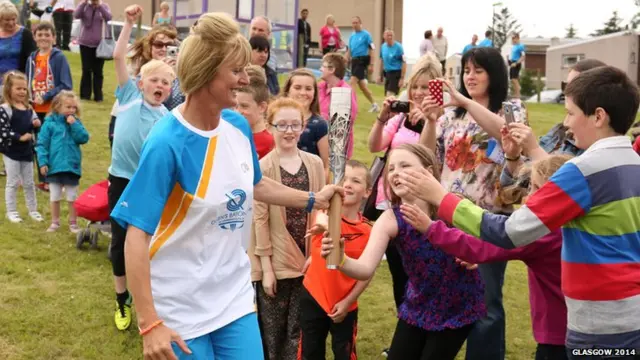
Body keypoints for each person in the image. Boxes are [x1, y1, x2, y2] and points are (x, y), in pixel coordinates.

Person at [110, 10, 341, 360]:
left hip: (232, 299)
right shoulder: (166, 142)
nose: (244, 79)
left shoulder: (236, 125)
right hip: (179, 306)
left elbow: (255, 186)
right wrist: (149, 322)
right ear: (205, 74)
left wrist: (313, 199)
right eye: (235, 71)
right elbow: (136, 236)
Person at [401, 65, 640, 357]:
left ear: (599, 116)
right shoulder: (633, 163)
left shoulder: (582, 172)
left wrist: (441, 198)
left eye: (571, 113)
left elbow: (509, 232)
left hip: (597, 327)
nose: (566, 123)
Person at [320, 143, 485, 360]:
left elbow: (491, 238)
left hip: (458, 305)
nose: (396, 172)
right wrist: (341, 258)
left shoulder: (453, 205)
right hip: (418, 304)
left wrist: (475, 256)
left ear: (427, 172)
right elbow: (364, 268)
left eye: (405, 165)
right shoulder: (390, 219)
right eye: (391, 169)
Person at [403, 154, 573, 360]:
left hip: (558, 337)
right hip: (593, 329)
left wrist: (431, 228)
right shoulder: (576, 222)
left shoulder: (543, 232)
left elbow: (482, 245)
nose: (529, 196)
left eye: (537, 188)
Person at [419, 46, 527, 360]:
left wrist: (465, 101)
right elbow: (429, 157)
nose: (470, 76)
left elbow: (507, 134)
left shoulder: (511, 109)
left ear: (495, 74)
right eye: (466, 70)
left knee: (486, 303)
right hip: (448, 213)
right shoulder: (451, 116)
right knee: (443, 294)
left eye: (478, 70)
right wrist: (429, 121)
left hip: (488, 219)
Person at [108, 5, 175, 332]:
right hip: (121, 180)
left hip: (149, 185)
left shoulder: (167, 119)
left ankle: (153, 300)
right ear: (141, 81)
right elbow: (119, 57)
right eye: (154, 79)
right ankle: (122, 300)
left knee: (150, 244)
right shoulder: (128, 96)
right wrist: (130, 24)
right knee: (120, 242)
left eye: (166, 81)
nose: (160, 85)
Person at [249, 97, 326, 360]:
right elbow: (259, 220)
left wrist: (315, 255)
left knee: (299, 328)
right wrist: (267, 269)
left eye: (295, 124)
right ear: (270, 127)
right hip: (278, 260)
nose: (289, 131)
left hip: (306, 259)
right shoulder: (263, 168)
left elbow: (320, 213)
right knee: (272, 330)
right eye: (282, 125)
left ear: (304, 126)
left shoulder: (314, 164)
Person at [298, 160, 373, 360]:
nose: (348, 184)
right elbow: (322, 220)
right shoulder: (323, 215)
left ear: (367, 191)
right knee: (310, 353)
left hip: (345, 305)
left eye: (356, 181)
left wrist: (348, 302)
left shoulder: (367, 231)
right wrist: (324, 229)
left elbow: (367, 273)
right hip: (313, 298)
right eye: (344, 179)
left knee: (345, 353)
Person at [500, 59, 606, 190]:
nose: (567, 93)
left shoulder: (597, 150)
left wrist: (534, 150)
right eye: (566, 86)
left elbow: (567, 189)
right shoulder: (559, 131)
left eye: (574, 87)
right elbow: (517, 188)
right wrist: (513, 156)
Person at [27, 21, 72, 191]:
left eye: (47, 34)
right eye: (40, 34)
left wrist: (46, 96)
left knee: (55, 145)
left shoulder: (58, 57)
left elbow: (65, 84)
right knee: (40, 144)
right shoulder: (32, 58)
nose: (44, 38)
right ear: (35, 37)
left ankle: (57, 180)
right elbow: (27, 80)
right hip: (35, 110)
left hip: (52, 110)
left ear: (54, 37)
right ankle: (44, 179)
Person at [36, 90, 89, 233]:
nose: (71, 110)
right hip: (54, 166)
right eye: (68, 107)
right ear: (57, 107)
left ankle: (73, 223)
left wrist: (74, 125)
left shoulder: (76, 122)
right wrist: (43, 162)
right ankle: (55, 222)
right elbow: (42, 144)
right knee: (55, 196)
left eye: (74, 107)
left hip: (71, 166)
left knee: (72, 196)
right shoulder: (49, 124)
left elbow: (83, 138)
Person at [0, 71, 43, 223]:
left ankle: (33, 210)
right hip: (11, 152)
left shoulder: (29, 108)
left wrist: (37, 124)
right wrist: (19, 137)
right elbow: (2, 130)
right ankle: (11, 211)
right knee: (12, 182)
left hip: (27, 152)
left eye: (24, 89)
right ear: (9, 89)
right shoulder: (5, 109)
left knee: (29, 182)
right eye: (18, 88)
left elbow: (36, 123)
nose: (22, 92)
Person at [281, 68, 329, 178]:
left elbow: (325, 166)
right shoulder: (275, 120)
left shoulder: (319, 124)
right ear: (288, 91)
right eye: (297, 88)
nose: (303, 93)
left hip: (309, 185)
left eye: (308, 89)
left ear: (314, 93)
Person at [317, 52, 357, 159]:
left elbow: (345, 123)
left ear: (331, 69)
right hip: (318, 143)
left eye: (323, 66)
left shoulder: (345, 92)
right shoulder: (319, 88)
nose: (320, 69)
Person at [73, 0, 111, 102]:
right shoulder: (85, 6)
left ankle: (98, 96)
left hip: (99, 45)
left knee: (98, 71)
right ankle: (85, 95)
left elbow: (108, 17)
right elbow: (76, 15)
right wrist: (84, 3)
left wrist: (100, 6)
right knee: (86, 69)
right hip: (85, 43)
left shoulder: (104, 6)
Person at [235, 65, 274, 159]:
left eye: (244, 106)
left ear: (262, 107)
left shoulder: (270, 143)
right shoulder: (232, 134)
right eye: (235, 106)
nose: (238, 112)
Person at [346, 16, 378, 112]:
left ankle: (351, 106)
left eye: (356, 23)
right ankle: (374, 104)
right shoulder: (351, 36)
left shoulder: (366, 35)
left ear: (360, 23)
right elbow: (349, 51)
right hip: (354, 61)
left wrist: (371, 64)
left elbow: (372, 49)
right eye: (353, 23)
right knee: (363, 87)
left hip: (362, 61)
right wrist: (345, 59)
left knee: (352, 82)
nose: (354, 25)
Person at [0, 1, 36, 80]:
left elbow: (33, 60)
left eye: (13, 19)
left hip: (18, 81)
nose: (11, 23)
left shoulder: (25, 34)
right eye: (7, 20)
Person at [379, 29, 405, 97]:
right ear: (384, 36)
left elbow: (404, 62)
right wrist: (380, 75)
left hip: (396, 73)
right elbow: (382, 60)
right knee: (388, 96)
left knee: (389, 95)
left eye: (391, 35)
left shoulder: (398, 47)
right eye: (388, 35)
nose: (390, 37)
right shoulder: (383, 47)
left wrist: (402, 78)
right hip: (387, 73)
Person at [508, 33, 525, 99]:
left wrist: (516, 63)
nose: (513, 40)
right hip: (512, 63)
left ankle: (518, 94)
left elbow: (523, 57)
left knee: (514, 79)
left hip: (516, 63)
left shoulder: (521, 46)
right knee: (512, 79)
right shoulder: (514, 46)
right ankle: (516, 93)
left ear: (518, 38)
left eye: (514, 39)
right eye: (513, 39)